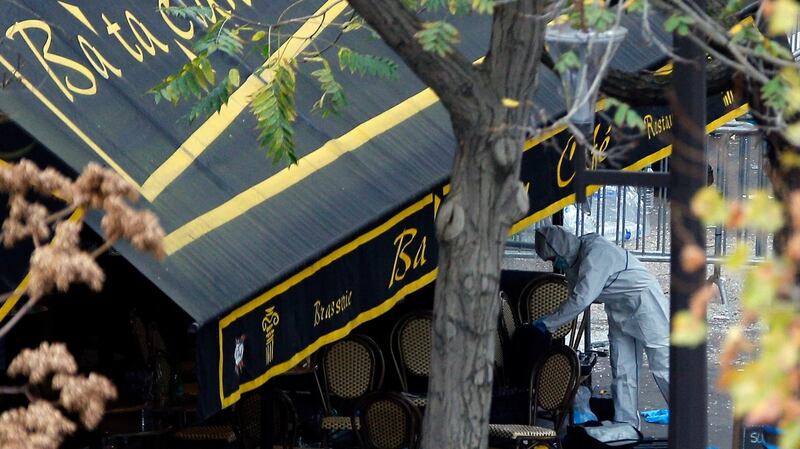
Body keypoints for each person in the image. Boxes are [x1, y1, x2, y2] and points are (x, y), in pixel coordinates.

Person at [532, 225, 670, 428]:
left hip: (645, 304)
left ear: (562, 248)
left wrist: (548, 323)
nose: (556, 263)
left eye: (553, 258)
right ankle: (626, 426)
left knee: (662, 366)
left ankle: (688, 422)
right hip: (619, 309)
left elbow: (581, 299)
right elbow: (575, 298)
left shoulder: (596, 252)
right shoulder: (574, 262)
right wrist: (551, 321)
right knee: (622, 369)